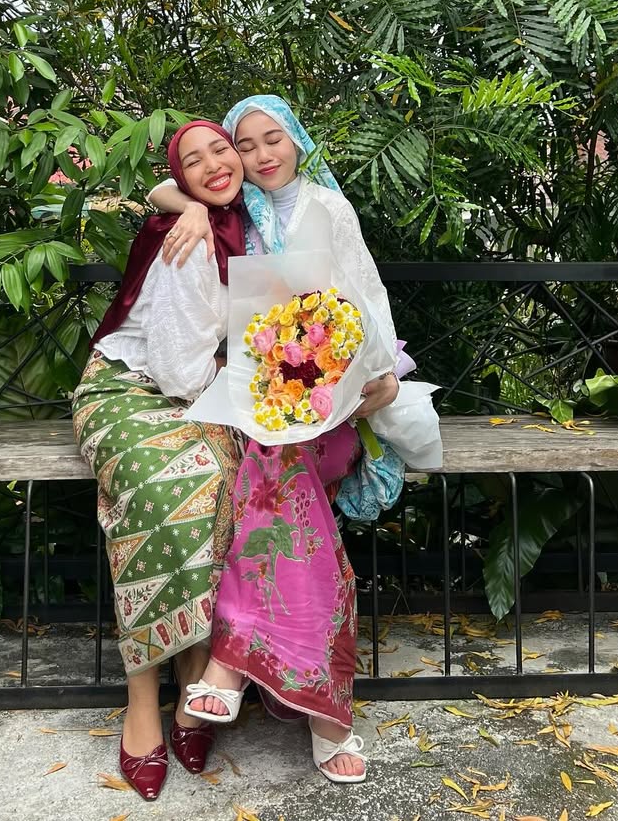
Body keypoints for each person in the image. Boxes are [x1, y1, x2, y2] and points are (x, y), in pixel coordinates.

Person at [148, 94, 426, 784]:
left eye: (273, 139)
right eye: (245, 145)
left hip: (337, 406)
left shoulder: (329, 209)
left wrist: (382, 378)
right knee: (282, 474)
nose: (261, 155)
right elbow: (161, 191)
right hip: (264, 409)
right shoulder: (235, 213)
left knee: (277, 467)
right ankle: (329, 716)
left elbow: (368, 299)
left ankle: (229, 664)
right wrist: (186, 208)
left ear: (298, 139)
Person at [72, 120, 246, 801]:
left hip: (203, 389)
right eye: (192, 162)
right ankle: (143, 695)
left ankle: (195, 677)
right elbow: (175, 369)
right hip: (128, 388)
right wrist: (190, 210)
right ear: (181, 176)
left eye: (221, 149)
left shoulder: (245, 224)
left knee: (220, 480)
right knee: (157, 489)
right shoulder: (190, 238)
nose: (213, 165)